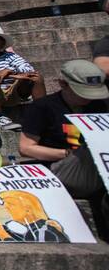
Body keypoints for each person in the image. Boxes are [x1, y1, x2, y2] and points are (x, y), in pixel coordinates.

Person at [19, 60, 108, 238]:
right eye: (82, 92)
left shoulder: (97, 106)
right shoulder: (43, 107)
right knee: (89, 148)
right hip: (62, 168)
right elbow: (26, 148)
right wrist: (67, 154)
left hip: (97, 170)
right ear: (63, 84)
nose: (88, 98)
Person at [0, 24, 44, 131]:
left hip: (15, 91)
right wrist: (7, 74)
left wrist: (8, 72)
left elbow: (28, 69)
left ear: (2, 43)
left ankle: (42, 112)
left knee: (36, 77)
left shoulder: (10, 56)